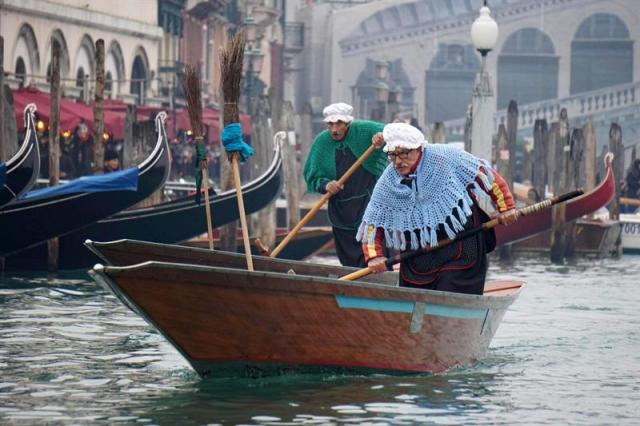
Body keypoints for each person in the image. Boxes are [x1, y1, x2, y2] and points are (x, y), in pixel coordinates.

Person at [358, 122, 518, 295]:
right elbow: (373, 223)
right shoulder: (388, 181)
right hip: (419, 253)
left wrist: (506, 207)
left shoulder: (447, 156)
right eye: (393, 155)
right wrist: (374, 256)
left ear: (419, 148)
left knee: (451, 289)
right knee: (414, 295)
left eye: (404, 153)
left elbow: (487, 177)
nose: (398, 161)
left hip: (462, 242)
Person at [303, 102, 388, 267]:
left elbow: (392, 132)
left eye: (339, 123)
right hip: (341, 209)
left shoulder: (363, 129)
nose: (334, 129)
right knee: (348, 256)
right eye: (330, 124)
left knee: (373, 247)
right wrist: (326, 185)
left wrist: (381, 137)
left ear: (348, 123)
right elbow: (313, 177)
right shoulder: (321, 142)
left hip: (369, 202)